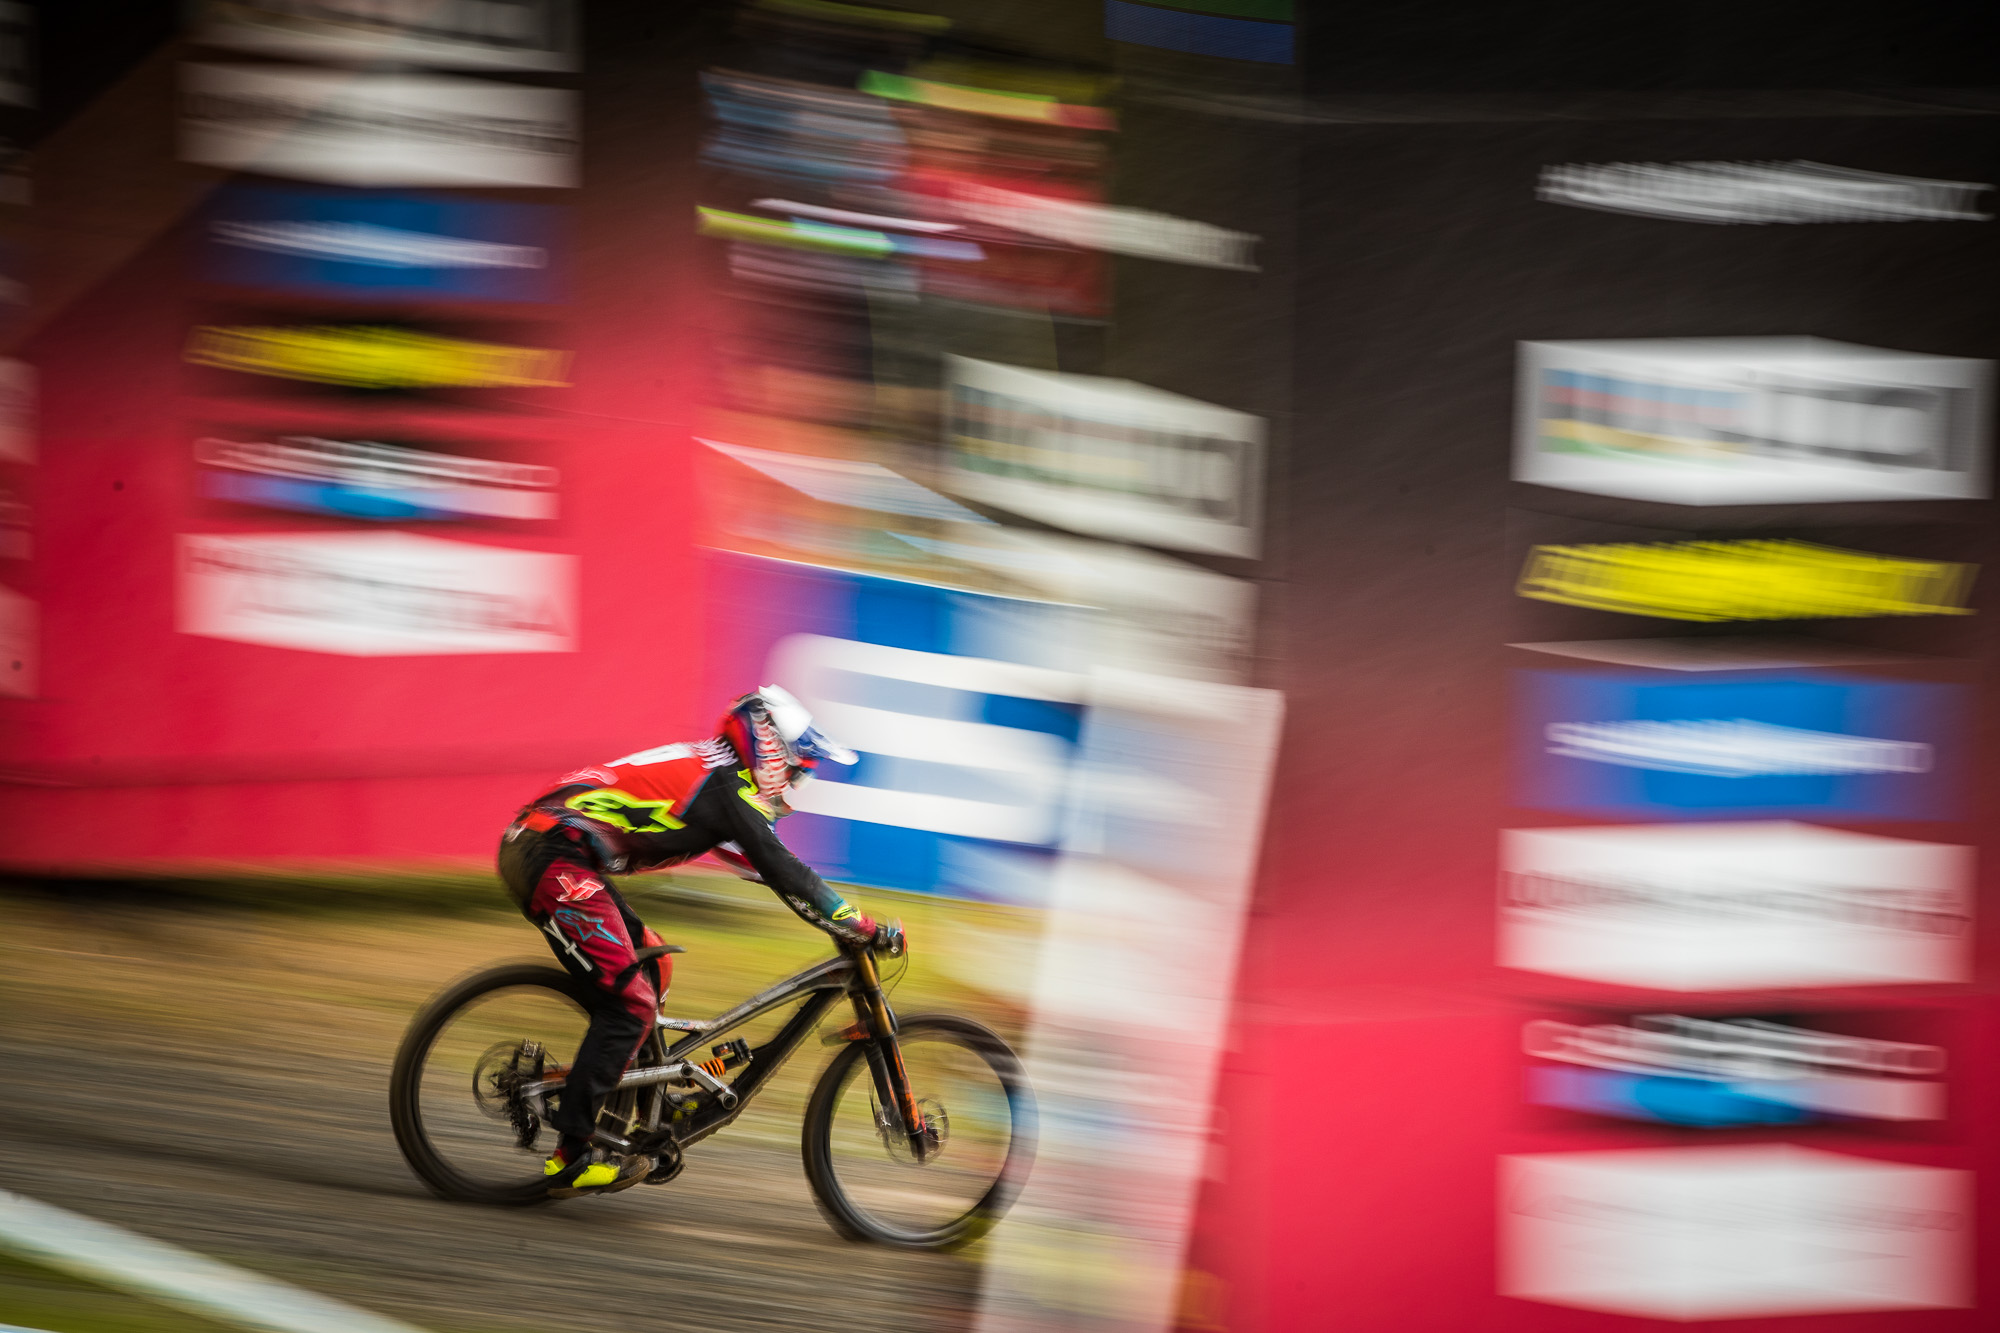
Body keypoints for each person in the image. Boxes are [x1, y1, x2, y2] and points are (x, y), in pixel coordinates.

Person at [497, 684, 903, 1196]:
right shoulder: (728, 788)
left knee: (654, 966)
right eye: (798, 769)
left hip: (553, 851)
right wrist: (861, 925)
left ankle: (646, 1107)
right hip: (552, 856)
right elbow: (784, 871)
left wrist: (837, 916)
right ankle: (571, 1155)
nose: (796, 782)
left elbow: (768, 869)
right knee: (632, 1005)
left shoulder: (717, 777)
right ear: (771, 748)